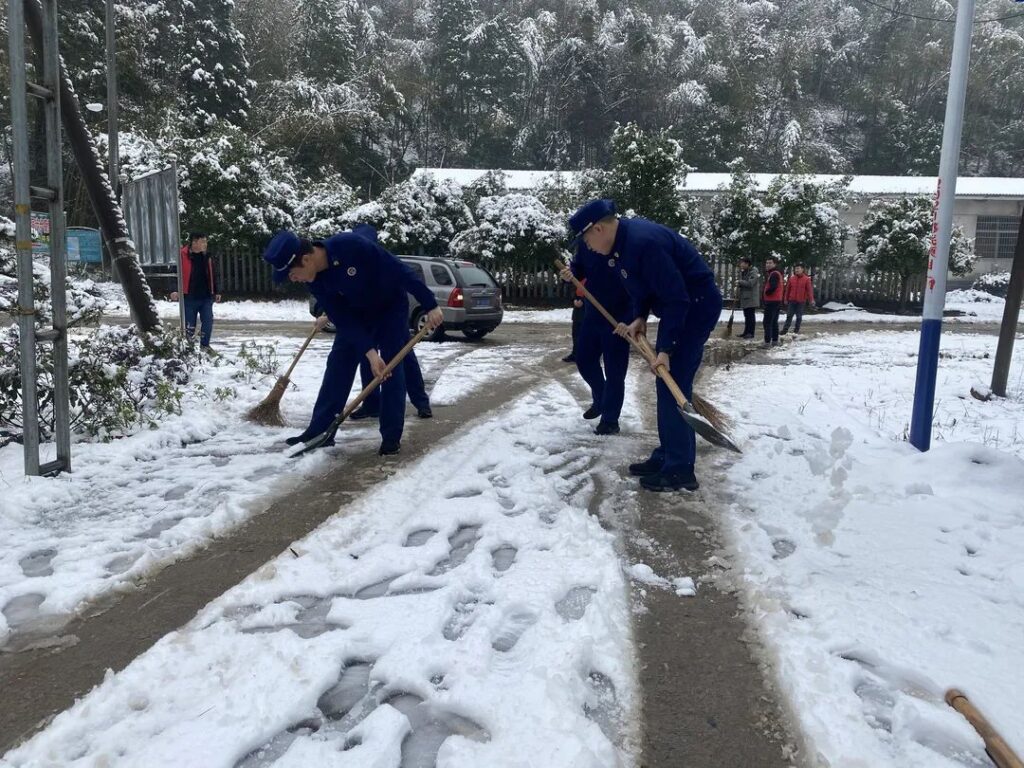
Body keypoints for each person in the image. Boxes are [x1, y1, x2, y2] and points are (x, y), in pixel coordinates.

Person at [568, 199, 722, 492]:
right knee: (667, 385)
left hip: (695, 308)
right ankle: (668, 455)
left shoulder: (643, 243)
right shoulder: (621, 247)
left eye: (586, 240)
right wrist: (639, 316)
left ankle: (680, 469)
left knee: (671, 382)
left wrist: (666, 349)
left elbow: (677, 297)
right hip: (680, 306)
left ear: (599, 229)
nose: (587, 247)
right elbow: (641, 287)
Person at [262, 228, 443, 455]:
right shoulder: (315, 280)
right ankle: (319, 431)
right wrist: (369, 352)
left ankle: (391, 436)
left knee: (391, 368)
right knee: (338, 364)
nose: (293, 279)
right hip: (356, 315)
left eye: (291, 273)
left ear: (306, 259)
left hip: (390, 309)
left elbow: (401, 271)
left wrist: (430, 304)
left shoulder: (352, 246)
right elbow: (342, 317)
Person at [342, 225, 432, 421]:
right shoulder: (351, 264)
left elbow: (411, 281)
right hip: (369, 314)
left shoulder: (385, 261)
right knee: (369, 357)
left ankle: (421, 402)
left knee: (401, 358)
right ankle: (372, 404)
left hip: (393, 314)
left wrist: (431, 305)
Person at [562, 243, 631, 435]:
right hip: (593, 314)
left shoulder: (627, 247)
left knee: (615, 371)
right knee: (584, 360)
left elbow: (640, 286)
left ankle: (610, 420)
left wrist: (631, 319)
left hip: (619, 320)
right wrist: (570, 273)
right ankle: (601, 398)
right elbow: (578, 266)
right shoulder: (587, 245)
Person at [171, 232, 221, 348]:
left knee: (208, 322)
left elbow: (214, 274)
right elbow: (174, 273)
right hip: (189, 297)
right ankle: (188, 348)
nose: (205, 244)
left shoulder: (207, 256)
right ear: (194, 242)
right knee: (189, 326)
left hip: (206, 297)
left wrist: (217, 290)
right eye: (202, 241)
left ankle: (205, 346)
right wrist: (174, 289)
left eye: (205, 241)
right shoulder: (182, 255)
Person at [781, 262, 815, 336]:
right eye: (795, 269)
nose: (796, 270)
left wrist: (811, 300)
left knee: (799, 316)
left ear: (802, 269)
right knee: (789, 315)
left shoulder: (806, 279)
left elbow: (809, 290)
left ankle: (796, 330)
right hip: (792, 300)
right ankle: (785, 329)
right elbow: (787, 290)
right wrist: (785, 299)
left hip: (801, 301)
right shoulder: (792, 278)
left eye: (798, 268)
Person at [735, 256, 761, 339]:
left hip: (751, 298)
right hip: (746, 297)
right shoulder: (745, 271)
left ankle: (751, 333)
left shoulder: (754, 271)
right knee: (747, 316)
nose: (741, 265)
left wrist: (740, 282)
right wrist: (739, 284)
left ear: (747, 264)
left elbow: (750, 283)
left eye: (742, 263)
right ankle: (746, 332)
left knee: (750, 316)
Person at [762, 256, 784, 347]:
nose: (768, 265)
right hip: (777, 300)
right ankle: (775, 340)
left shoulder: (774, 274)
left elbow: (773, 286)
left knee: (767, 322)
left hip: (772, 301)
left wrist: (767, 292)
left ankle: (767, 342)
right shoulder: (776, 273)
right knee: (774, 321)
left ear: (775, 264)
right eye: (767, 263)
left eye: (770, 263)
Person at [562, 283, 585, 363]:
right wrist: (574, 299)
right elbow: (572, 289)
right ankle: (575, 354)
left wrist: (583, 300)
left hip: (589, 309)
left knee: (588, 335)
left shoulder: (592, 275)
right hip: (578, 311)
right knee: (576, 334)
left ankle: (591, 355)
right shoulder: (578, 276)